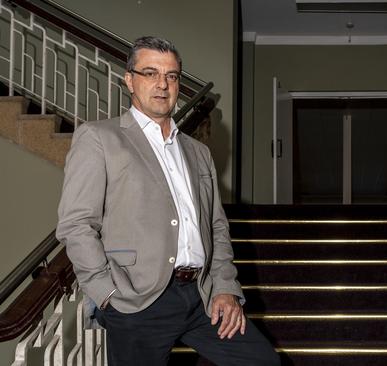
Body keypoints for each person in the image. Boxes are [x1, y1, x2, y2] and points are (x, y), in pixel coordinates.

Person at [57, 36, 279, 366]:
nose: (162, 84)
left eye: (171, 75)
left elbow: (216, 228)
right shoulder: (100, 138)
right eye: (150, 73)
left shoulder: (198, 151)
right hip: (136, 300)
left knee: (263, 361)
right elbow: (76, 224)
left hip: (201, 296)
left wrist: (226, 287)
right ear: (129, 79)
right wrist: (106, 292)